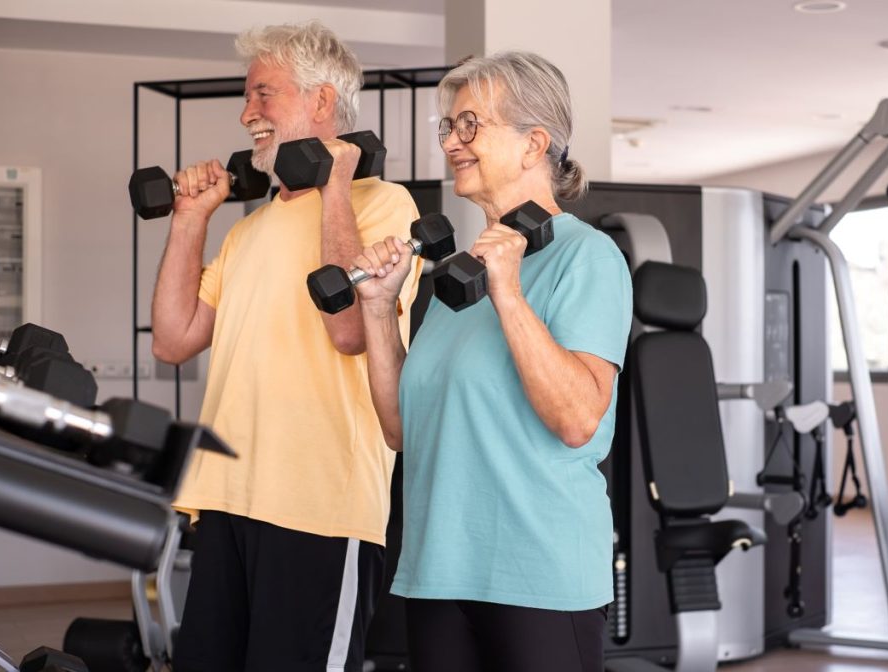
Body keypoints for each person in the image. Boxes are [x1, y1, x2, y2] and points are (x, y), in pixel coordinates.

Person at [150, 21, 423, 672]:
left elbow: (350, 328)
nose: (248, 114)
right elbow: (172, 339)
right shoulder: (250, 231)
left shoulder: (385, 206)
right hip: (224, 497)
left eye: (264, 95)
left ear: (322, 103)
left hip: (318, 510)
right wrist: (192, 220)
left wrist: (334, 185)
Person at [351, 52, 633, 672]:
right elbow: (402, 429)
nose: (452, 141)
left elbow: (578, 419)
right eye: (449, 127)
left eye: (469, 125)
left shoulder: (587, 258)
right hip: (440, 570)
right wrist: (377, 307)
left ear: (535, 142)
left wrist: (509, 291)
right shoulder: (462, 274)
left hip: (538, 573)